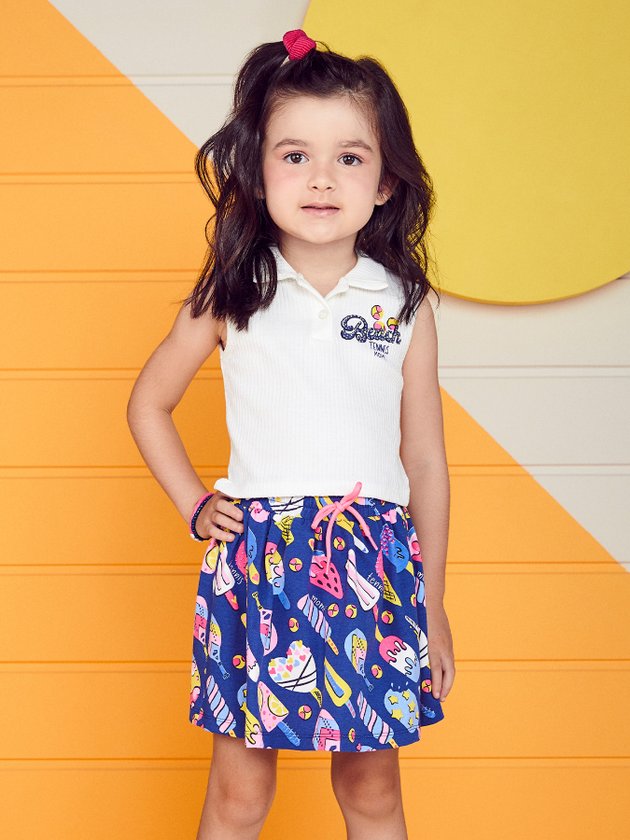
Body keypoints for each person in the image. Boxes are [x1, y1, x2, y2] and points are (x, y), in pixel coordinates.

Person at [127, 27, 455, 840]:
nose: (320, 178)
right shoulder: (234, 291)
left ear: (385, 182)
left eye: (350, 157)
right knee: (240, 796)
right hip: (258, 563)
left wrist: (433, 603)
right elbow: (149, 404)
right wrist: (195, 503)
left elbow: (424, 460)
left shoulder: (404, 303)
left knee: (373, 791)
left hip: (374, 566)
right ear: (257, 169)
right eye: (295, 155)